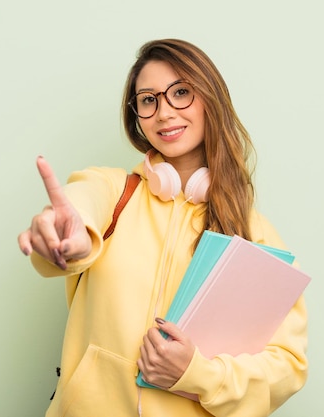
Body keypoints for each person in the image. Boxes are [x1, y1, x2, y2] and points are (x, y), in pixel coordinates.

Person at [18, 38, 308, 417]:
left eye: (181, 92)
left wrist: (196, 374)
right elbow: (79, 208)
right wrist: (65, 238)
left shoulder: (255, 235)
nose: (164, 112)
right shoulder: (112, 191)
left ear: (210, 100)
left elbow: (286, 367)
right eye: (149, 100)